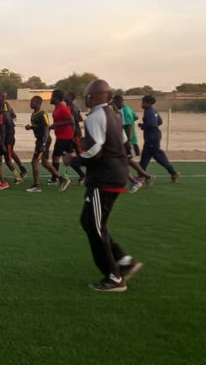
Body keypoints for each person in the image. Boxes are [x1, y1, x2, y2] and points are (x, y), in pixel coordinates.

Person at [71, 79, 142, 292]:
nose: (86, 98)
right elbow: (123, 143)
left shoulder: (95, 116)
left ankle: (114, 277)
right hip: (114, 175)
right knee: (89, 222)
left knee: (94, 225)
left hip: (104, 180)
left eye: (88, 95)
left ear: (94, 96)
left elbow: (95, 150)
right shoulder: (113, 114)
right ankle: (124, 261)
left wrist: (74, 160)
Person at [24, 96, 66, 193]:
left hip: (43, 140)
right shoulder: (34, 114)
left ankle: (36, 185)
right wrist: (30, 127)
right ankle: (62, 179)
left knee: (34, 162)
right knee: (45, 162)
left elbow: (46, 128)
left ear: (38, 103)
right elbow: (38, 127)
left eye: (32, 102)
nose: (30, 103)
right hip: (40, 140)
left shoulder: (43, 114)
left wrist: (43, 143)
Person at [112, 95, 153, 193]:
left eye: (114, 103)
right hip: (126, 140)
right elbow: (135, 117)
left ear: (118, 102)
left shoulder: (123, 111)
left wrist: (128, 141)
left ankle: (134, 181)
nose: (113, 105)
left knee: (119, 162)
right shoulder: (126, 109)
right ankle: (146, 176)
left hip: (126, 141)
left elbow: (129, 125)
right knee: (128, 160)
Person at [48, 89, 86, 189]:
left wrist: (56, 125)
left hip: (63, 137)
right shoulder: (58, 108)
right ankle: (83, 175)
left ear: (56, 98)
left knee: (55, 157)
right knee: (68, 159)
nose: (50, 98)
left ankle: (55, 179)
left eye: (52, 96)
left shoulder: (62, 108)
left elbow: (72, 121)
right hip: (65, 136)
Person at [138, 95, 180, 182]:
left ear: (147, 103)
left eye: (143, 102)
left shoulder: (148, 111)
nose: (141, 104)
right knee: (150, 157)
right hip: (154, 136)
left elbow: (151, 124)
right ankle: (141, 175)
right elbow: (160, 121)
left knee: (152, 157)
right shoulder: (153, 110)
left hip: (151, 138)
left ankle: (141, 176)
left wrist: (143, 126)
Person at [0, 92, 28, 184]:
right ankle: (23, 169)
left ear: (4, 98)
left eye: (0, 96)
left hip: (8, 136)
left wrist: (2, 141)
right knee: (10, 153)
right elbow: (11, 115)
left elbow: (9, 122)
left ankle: (18, 177)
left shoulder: (5, 108)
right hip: (5, 135)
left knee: (7, 159)